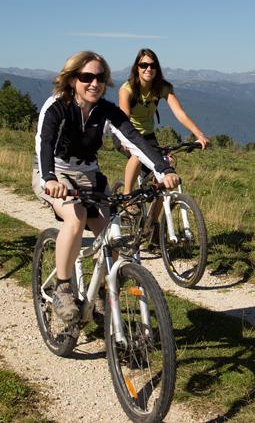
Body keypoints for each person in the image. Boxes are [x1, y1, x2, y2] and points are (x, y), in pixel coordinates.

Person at [32, 51, 180, 324]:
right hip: (56, 172)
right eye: (86, 77)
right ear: (72, 79)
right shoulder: (56, 105)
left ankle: (99, 291)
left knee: (113, 238)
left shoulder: (105, 109)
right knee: (75, 218)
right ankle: (63, 288)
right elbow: (44, 142)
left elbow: (135, 139)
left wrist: (164, 170)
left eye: (100, 78)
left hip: (89, 174)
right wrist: (50, 179)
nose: (94, 83)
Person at [118, 48, 209, 196]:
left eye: (153, 66)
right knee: (137, 154)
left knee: (163, 180)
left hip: (148, 135)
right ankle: (127, 197)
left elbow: (179, 113)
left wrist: (199, 134)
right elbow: (124, 115)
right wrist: (124, 138)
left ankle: (153, 219)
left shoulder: (162, 88)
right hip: (126, 133)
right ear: (137, 68)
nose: (149, 69)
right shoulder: (127, 89)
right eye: (144, 65)